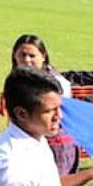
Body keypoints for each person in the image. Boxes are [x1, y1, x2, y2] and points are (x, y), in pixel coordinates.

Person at [11, 35, 79, 177]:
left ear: (43, 56)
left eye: (32, 55)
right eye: (22, 55)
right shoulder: (16, 80)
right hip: (24, 142)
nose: (26, 60)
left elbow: (58, 117)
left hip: (53, 144)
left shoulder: (57, 83)